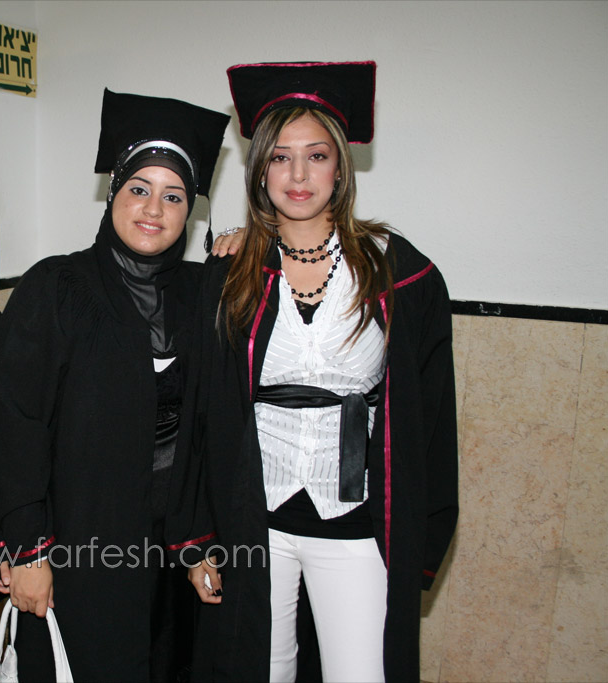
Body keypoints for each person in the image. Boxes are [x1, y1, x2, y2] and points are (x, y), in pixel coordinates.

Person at [180, 62, 458, 682]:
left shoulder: (397, 273)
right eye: (280, 158)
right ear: (260, 170)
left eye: (317, 156)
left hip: (355, 525)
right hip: (254, 522)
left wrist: (424, 534)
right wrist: (197, 536)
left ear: (341, 168)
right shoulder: (232, 272)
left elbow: (433, 417)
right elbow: (203, 412)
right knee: (259, 671)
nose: (299, 176)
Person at [0, 88, 230, 682]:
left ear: (191, 210)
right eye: (139, 189)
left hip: (172, 555)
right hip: (78, 550)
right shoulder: (56, 288)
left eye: (173, 196)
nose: (154, 209)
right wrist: (28, 550)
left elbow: (212, 432)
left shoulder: (204, 296)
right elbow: (16, 426)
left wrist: (200, 542)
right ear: (114, 192)